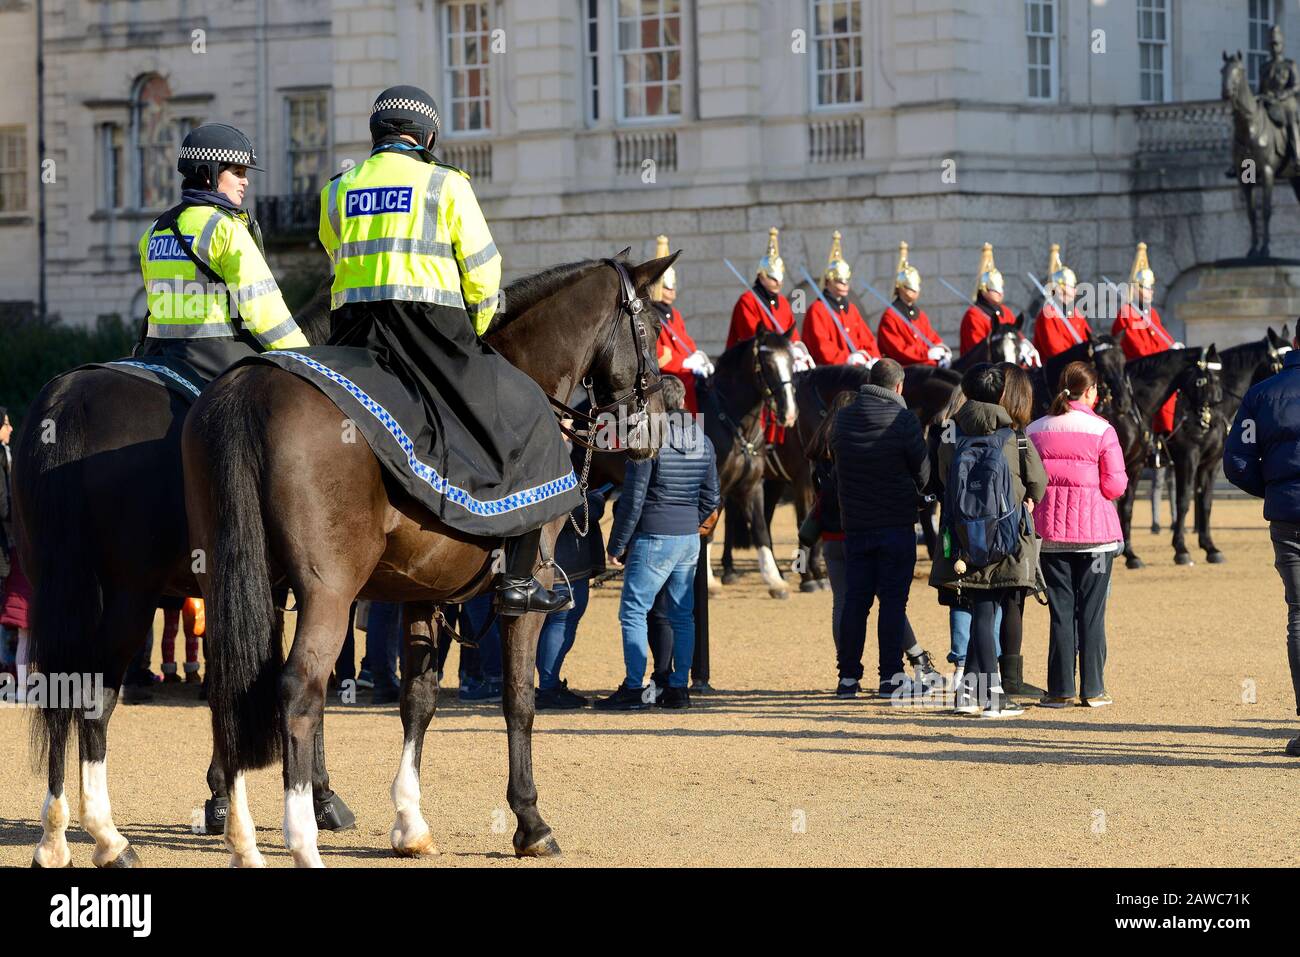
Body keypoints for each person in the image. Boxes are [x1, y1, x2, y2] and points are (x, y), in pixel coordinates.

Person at [321, 84, 578, 618]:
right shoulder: (446, 185)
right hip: (430, 336)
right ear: (428, 135)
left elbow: (333, 249)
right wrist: (475, 330)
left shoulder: (337, 189)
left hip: (354, 341)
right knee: (531, 413)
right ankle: (518, 582)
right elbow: (485, 274)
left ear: (377, 133)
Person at [137, 123, 309, 382]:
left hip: (156, 354)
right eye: (238, 172)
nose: (245, 181)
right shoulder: (226, 229)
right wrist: (306, 359)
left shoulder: (153, 231)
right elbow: (263, 310)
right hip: (214, 360)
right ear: (209, 174)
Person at [931, 364, 1048, 718]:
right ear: (1000, 394)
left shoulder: (950, 434)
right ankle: (994, 694)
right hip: (1004, 533)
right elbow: (1038, 483)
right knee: (986, 608)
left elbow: (941, 479)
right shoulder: (1015, 435)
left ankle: (968, 693)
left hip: (962, 534)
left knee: (978, 604)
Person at [598, 377, 720, 711]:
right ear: (681, 401)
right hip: (688, 539)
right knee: (683, 616)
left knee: (634, 611)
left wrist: (616, 544)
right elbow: (713, 497)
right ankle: (678, 688)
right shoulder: (703, 439)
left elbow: (634, 499)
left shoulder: (649, 436)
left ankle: (634, 688)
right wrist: (689, 521)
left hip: (653, 534)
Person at [831, 359, 937, 697]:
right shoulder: (904, 420)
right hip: (895, 524)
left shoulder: (844, 417)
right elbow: (923, 474)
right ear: (898, 387)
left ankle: (848, 677)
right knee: (892, 603)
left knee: (855, 602)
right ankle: (891, 677)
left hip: (856, 525)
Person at [1027, 361, 1128, 709]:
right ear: (1090, 392)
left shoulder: (1035, 428)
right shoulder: (1102, 429)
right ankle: (1094, 688)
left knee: (1060, 611)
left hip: (1050, 535)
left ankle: (1060, 689)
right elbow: (1115, 486)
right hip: (1095, 536)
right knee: (1092, 613)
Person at [1224, 334, 1300, 755]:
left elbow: (1236, 462)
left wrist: (1273, 488)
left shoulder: (1261, 393)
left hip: (1288, 515)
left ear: (1292, 341)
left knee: (1299, 616)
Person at [1111, 242, 1183, 518]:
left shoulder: (1150, 314)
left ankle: (1165, 440)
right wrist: (1166, 355)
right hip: (1136, 375)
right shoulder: (1126, 314)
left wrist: (1172, 350)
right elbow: (1138, 349)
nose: (1150, 292)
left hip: (1155, 373)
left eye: (1152, 288)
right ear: (1135, 289)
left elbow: (1159, 338)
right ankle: (1153, 442)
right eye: (1146, 287)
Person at [535, 484, 609, 710]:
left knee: (549, 626)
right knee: (561, 622)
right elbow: (582, 512)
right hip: (563, 566)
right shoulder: (556, 471)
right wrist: (595, 498)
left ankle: (547, 684)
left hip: (546, 563)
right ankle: (548, 687)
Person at [650, 234, 711, 414]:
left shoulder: (674, 313)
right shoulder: (650, 313)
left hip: (683, 375)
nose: (673, 290)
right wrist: (684, 362)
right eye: (669, 287)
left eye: (674, 286)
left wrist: (699, 357)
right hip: (664, 379)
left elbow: (685, 340)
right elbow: (658, 354)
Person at [802, 231, 879, 367]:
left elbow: (867, 339)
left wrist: (871, 357)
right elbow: (822, 346)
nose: (845, 285)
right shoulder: (817, 310)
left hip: (857, 368)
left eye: (847, 281)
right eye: (839, 281)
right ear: (828, 282)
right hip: (832, 372)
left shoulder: (852, 309)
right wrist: (846, 358)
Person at [959, 243, 1041, 367]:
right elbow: (978, 350)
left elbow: (1017, 336)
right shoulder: (974, 315)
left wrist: (1023, 346)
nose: (1000, 293)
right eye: (995, 289)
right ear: (984, 289)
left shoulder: (1006, 312)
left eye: (1001, 288)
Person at [876, 242, 951, 368]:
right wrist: (926, 354)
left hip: (925, 365)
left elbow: (931, 337)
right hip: (904, 370)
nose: (915, 291)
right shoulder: (890, 316)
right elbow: (898, 349)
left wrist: (941, 349)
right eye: (910, 288)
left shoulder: (920, 315)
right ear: (900, 288)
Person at [1031, 244, 1092, 362]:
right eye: (1071, 287)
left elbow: (1088, 339)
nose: (1074, 291)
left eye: (1074, 288)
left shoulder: (1076, 314)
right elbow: (1054, 351)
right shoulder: (1048, 314)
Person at [1260, 24, 1300, 170]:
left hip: (1285, 102)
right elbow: (1261, 89)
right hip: (1269, 102)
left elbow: (1297, 86)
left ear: (1282, 45)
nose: (1273, 47)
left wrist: (1283, 94)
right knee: (1249, 125)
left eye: (1276, 44)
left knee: (1291, 118)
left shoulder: (1289, 65)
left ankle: (1297, 156)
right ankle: (1248, 175)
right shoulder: (1264, 67)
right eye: (1271, 44)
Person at [160, 597, 204, 683]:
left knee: (170, 629)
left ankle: (169, 674)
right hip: (188, 592)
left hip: (170, 592)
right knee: (191, 629)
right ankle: (191, 672)